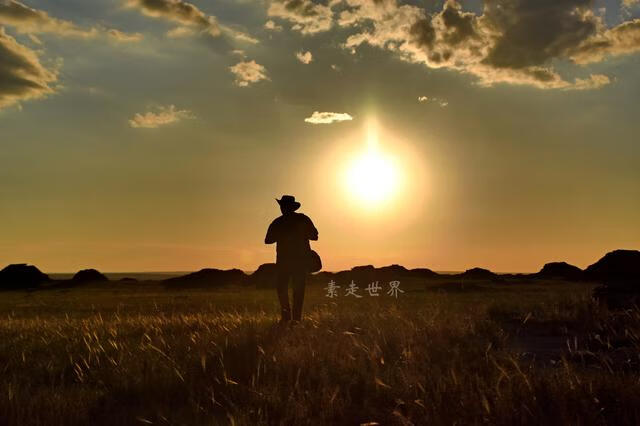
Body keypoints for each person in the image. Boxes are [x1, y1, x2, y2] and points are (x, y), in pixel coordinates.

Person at [265, 195, 318, 324]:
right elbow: (314, 236)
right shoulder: (303, 219)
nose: (282, 208)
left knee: (283, 288)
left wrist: (283, 234)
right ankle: (295, 319)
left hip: (284, 261)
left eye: (283, 206)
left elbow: (268, 240)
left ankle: (287, 317)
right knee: (297, 290)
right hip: (298, 261)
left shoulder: (278, 222)